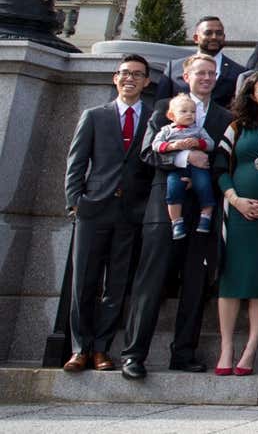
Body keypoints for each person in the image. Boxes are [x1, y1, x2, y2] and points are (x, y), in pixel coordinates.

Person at [123, 54, 234, 379]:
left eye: (212, 73)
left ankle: (184, 352)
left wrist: (205, 170)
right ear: (186, 75)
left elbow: (223, 160)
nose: (207, 77)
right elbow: (147, 153)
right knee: (151, 281)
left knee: (196, 284)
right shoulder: (163, 111)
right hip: (164, 210)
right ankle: (134, 354)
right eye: (200, 72)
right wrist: (184, 159)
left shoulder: (224, 116)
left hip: (203, 209)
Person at [63, 55, 154, 373]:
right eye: (125, 73)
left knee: (116, 284)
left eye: (137, 74)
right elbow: (76, 162)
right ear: (115, 78)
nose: (130, 78)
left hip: (131, 212)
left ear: (147, 82)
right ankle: (80, 348)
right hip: (94, 209)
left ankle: (102, 348)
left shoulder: (153, 118)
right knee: (83, 282)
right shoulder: (94, 116)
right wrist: (75, 202)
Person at [215, 70, 258, 377]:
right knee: (230, 283)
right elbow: (219, 166)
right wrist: (235, 198)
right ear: (252, 96)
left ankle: (251, 349)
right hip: (238, 215)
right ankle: (227, 347)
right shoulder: (237, 127)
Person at [148, 94, 216, 239]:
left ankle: (206, 216)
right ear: (171, 115)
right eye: (184, 111)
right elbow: (155, 145)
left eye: (192, 112)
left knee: (204, 185)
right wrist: (172, 146)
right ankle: (176, 222)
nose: (189, 115)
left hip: (198, 168)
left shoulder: (198, 130)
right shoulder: (167, 130)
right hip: (176, 168)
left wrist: (198, 143)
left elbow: (211, 144)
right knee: (173, 189)